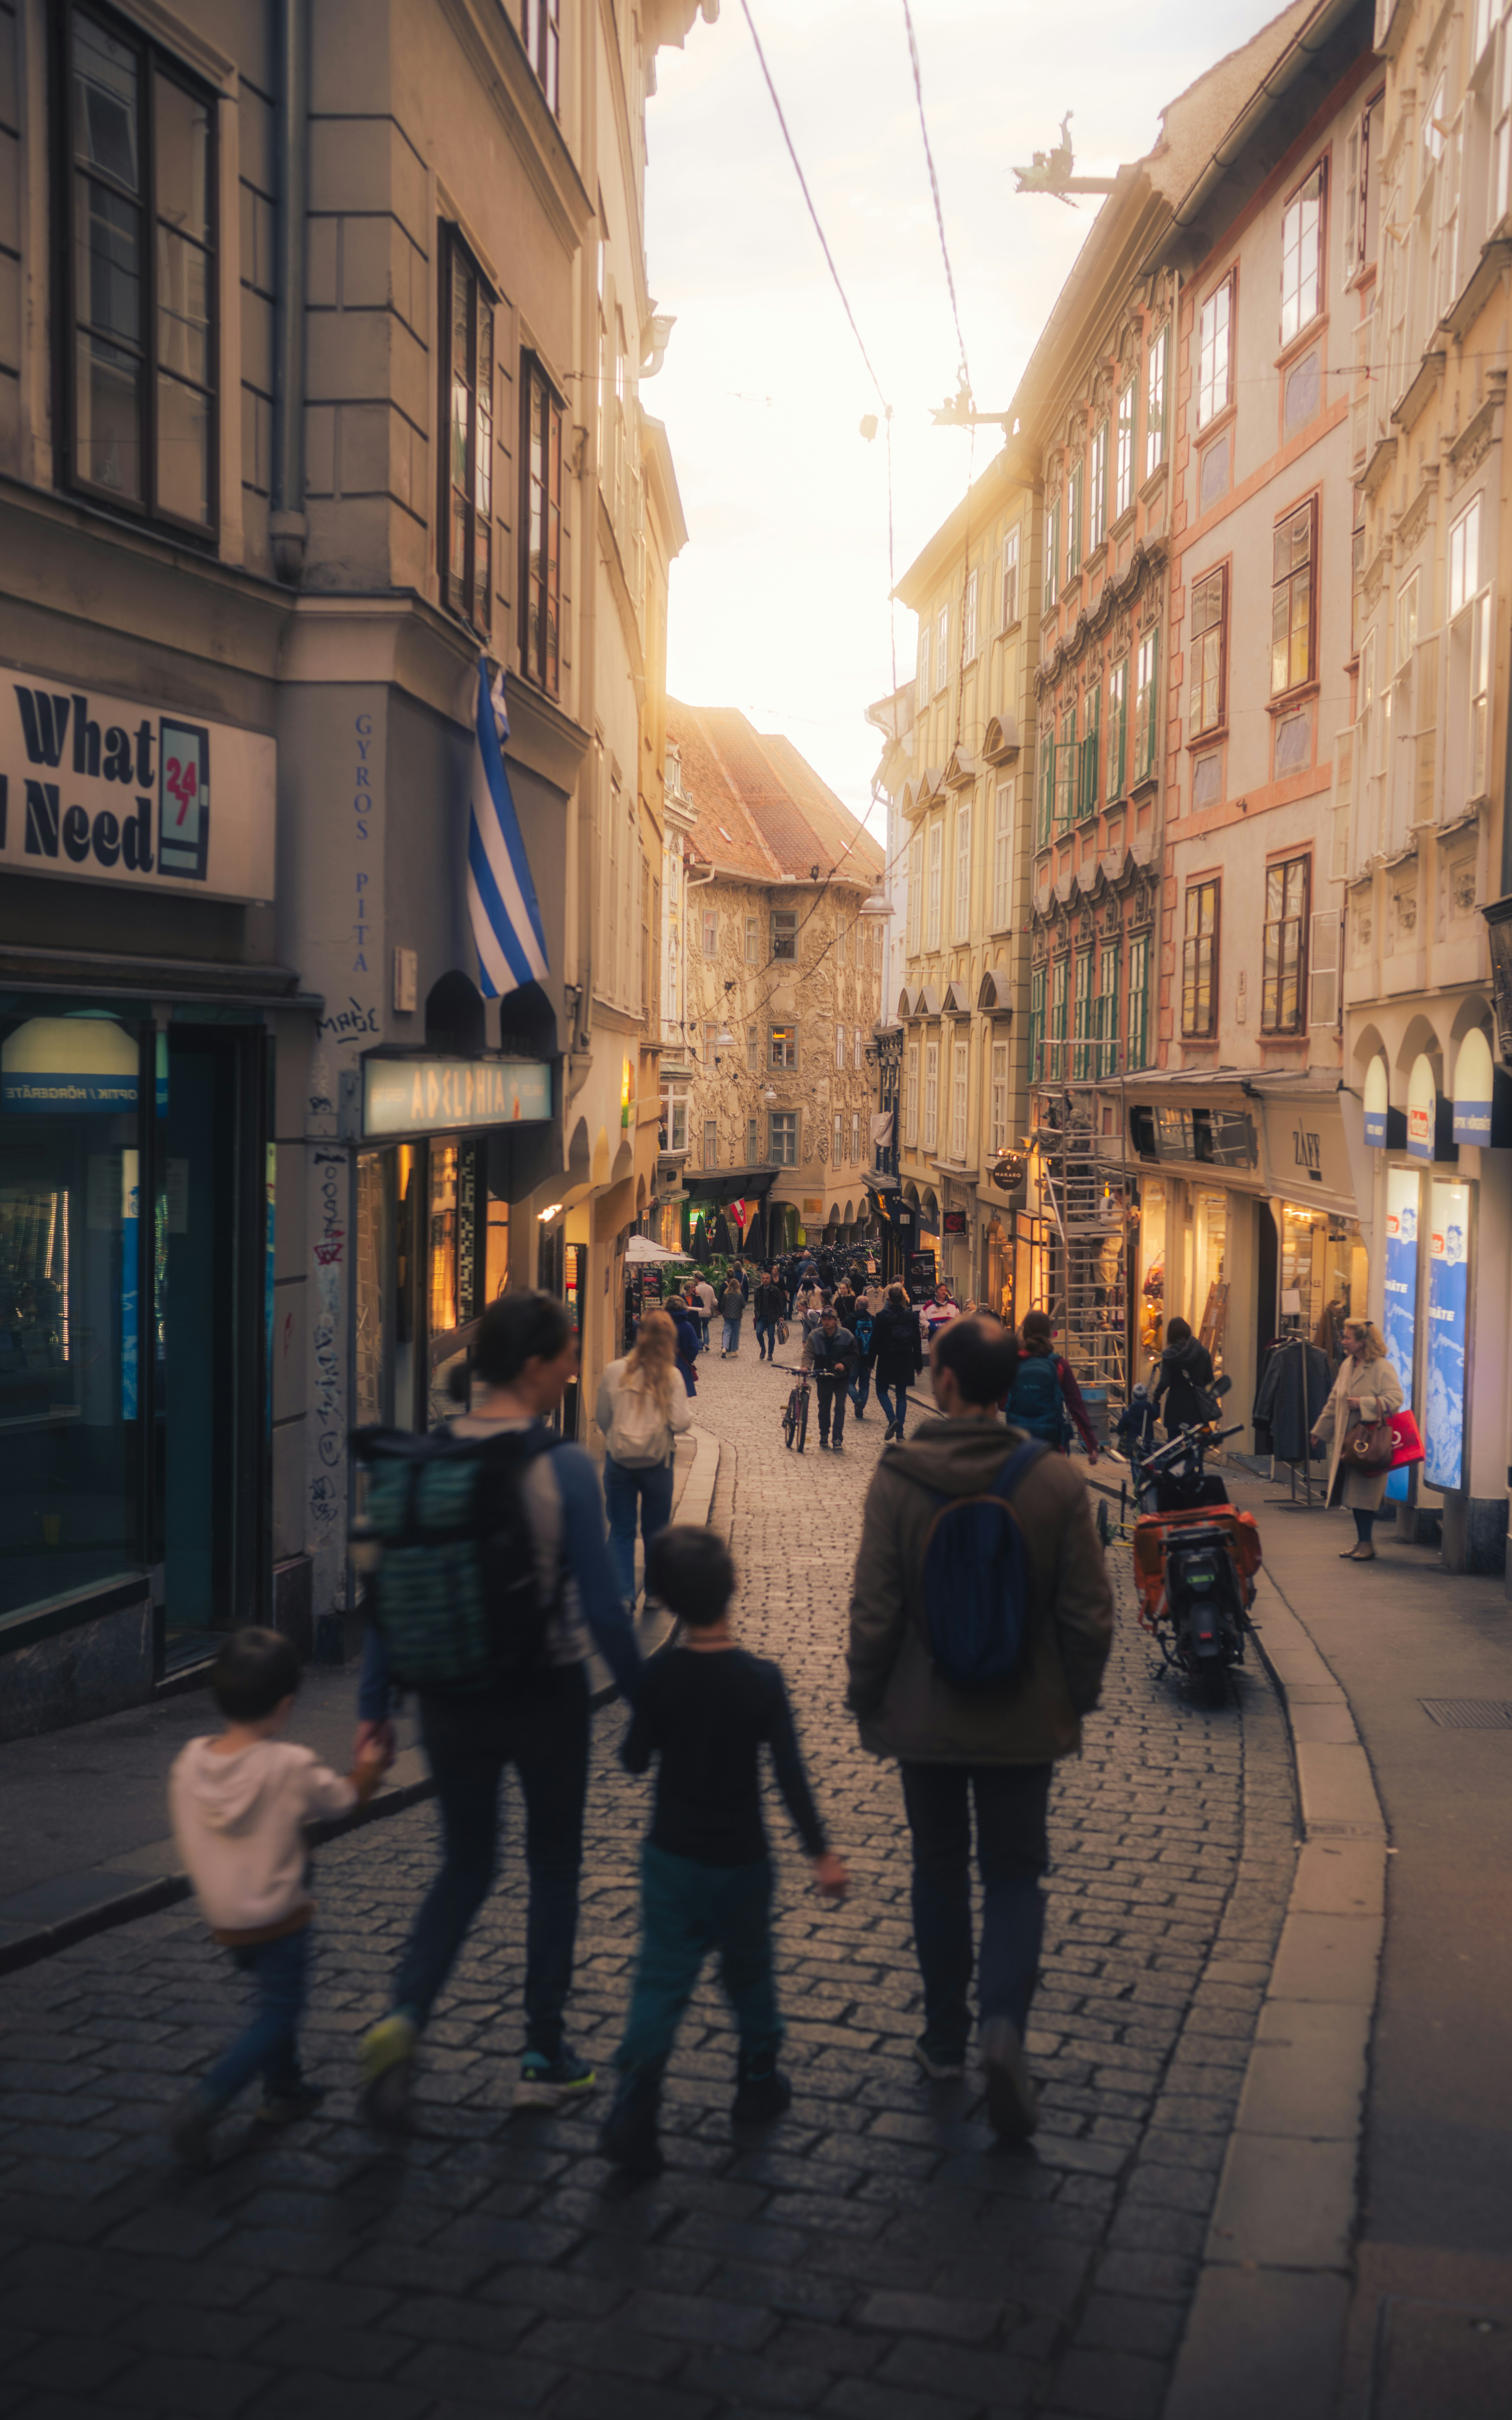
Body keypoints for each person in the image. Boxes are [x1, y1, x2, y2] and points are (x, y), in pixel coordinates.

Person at [355, 1291, 639, 2126]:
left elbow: (390, 1598)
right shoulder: (561, 1467)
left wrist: (376, 1705)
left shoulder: (426, 1457)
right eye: (564, 1357)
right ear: (532, 1367)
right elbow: (604, 1608)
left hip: (447, 1695)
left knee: (465, 1865)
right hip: (545, 1694)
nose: (571, 1369)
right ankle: (544, 2055)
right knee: (553, 1867)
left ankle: (404, 2017)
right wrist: (648, 1703)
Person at [846, 1317, 1114, 2135]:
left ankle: (943, 2036)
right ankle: (1004, 2026)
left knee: (938, 1869)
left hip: (926, 1719)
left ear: (948, 1382)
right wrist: (1076, 1695)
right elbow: (1089, 1615)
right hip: (1024, 1716)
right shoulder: (1056, 1484)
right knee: (1012, 1875)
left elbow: (876, 1611)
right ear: (1008, 1386)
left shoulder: (901, 1475)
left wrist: (868, 1701)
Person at [600, 1527, 848, 2176]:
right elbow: (791, 1777)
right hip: (741, 1860)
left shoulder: (660, 1676)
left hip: (672, 1856)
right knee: (750, 1971)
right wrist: (821, 1854)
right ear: (734, 1589)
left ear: (671, 1600)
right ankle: (759, 2078)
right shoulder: (760, 1682)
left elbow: (632, 1760)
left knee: (661, 1976)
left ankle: (636, 2097)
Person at [166, 1630, 389, 2166]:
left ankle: (284, 2090)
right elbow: (340, 1802)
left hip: (224, 1916)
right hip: (279, 1916)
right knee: (280, 2013)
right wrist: (370, 1767)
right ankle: (208, 2100)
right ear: (286, 1705)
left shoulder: (190, 1762)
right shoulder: (288, 1764)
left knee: (275, 2001)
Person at [597, 1308, 694, 1606]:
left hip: (620, 1459)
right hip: (658, 1461)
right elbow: (680, 1423)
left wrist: (619, 1437)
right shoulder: (672, 1375)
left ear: (640, 1335)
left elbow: (603, 1417)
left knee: (622, 1529)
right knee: (656, 1530)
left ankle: (624, 1595)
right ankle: (653, 1593)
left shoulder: (615, 1370)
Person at [1310, 1318, 1404, 1561]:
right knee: (1354, 1495)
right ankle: (1362, 1542)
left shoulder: (1381, 1367)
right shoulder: (1347, 1366)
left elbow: (1395, 1399)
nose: (1343, 1342)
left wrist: (1364, 1404)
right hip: (1349, 1442)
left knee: (1365, 1496)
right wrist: (1320, 1431)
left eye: (1348, 1338)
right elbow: (1335, 1400)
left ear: (1362, 1342)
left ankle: (1367, 1544)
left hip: (1370, 1443)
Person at [1008, 1309, 1100, 1461]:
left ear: (1024, 1333)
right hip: (1050, 1446)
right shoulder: (1059, 1365)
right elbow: (1076, 1404)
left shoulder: (1014, 1363)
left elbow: (1004, 1403)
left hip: (1019, 1444)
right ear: (1049, 1333)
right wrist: (1091, 1444)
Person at [873, 1281, 924, 1441]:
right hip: (906, 1358)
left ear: (889, 1299)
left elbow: (875, 1341)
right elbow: (917, 1341)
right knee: (902, 1395)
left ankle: (892, 1418)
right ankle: (900, 1433)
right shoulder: (911, 1316)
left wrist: (869, 1363)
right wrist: (919, 1364)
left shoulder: (882, 1317)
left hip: (887, 1358)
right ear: (903, 1298)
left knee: (881, 1390)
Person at [805, 1305, 860, 1450]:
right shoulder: (815, 1336)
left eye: (830, 1319)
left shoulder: (847, 1335)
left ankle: (837, 1438)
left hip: (842, 1377)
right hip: (823, 1377)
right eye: (824, 1319)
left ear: (836, 1321)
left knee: (840, 1407)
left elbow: (855, 1354)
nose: (827, 1322)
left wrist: (844, 1363)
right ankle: (824, 1434)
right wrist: (806, 1367)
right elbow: (809, 1353)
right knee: (824, 1407)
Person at [1151, 1316, 1216, 1439]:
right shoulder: (1203, 1352)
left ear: (1171, 1335)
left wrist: (1156, 1396)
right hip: (1197, 1408)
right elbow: (1210, 1381)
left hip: (1175, 1406)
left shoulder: (1169, 1355)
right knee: (1197, 1445)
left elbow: (1165, 1382)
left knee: (1174, 1447)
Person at [848, 1289, 878, 1422]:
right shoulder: (873, 1320)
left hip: (853, 1357)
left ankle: (857, 1400)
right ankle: (861, 1407)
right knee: (865, 1384)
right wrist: (872, 1360)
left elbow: (845, 1340)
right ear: (868, 1306)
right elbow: (876, 1341)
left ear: (856, 1305)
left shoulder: (849, 1319)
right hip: (868, 1357)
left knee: (849, 1382)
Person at [669, 1292, 702, 1398]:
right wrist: (688, 1359)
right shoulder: (688, 1327)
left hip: (663, 1366)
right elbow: (694, 1348)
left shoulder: (661, 1325)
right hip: (682, 1366)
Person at [753, 1268, 786, 1363]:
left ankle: (770, 1353)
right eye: (764, 1278)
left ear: (770, 1279)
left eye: (767, 1278)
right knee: (759, 1333)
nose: (765, 1280)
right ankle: (763, 1348)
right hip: (761, 1316)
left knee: (771, 1335)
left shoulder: (775, 1290)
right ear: (762, 1280)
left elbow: (780, 1303)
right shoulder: (759, 1290)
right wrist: (757, 1312)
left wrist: (781, 1315)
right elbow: (756, 1302)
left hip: (772, 1316)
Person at [919, 1284, 959, 1351]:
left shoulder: (953, 1305)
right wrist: (930, 1326)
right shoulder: (929, 1305)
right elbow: (922, 1318)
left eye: (945, 1290)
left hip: (948, 1339)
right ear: (936, 1291)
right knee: (936, 1360)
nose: (944, 1292)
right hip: (934, 1339)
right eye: (942, 1290)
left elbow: (958, 1320)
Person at [718, 1273, 746, 1358]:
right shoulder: (740, 1295)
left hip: (727, 1316)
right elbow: (743, 1305)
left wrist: (723, 1311)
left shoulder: (726, 1295)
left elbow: (722, 1305)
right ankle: (734, 1351)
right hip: (737, 1316)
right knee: (735, 1333)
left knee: (727, 1332)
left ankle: (725, 1348)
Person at [693, 1273, 718, 1353]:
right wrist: (716, 1310)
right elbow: (714, 1301)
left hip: (698, 1312)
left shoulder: (696, 1289)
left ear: (698, 1279)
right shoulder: (710, 1288)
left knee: (698, 1329)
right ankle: (707, 1343)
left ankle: (701, 1346)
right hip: (707, 1312)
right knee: (705, 1327)